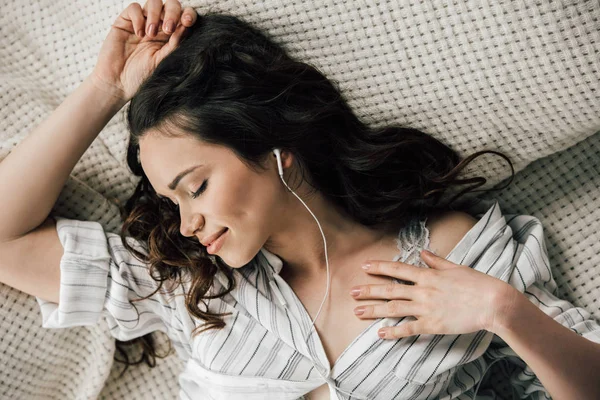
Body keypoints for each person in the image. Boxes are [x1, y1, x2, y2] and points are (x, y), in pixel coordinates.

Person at [0, 1, 599, 399]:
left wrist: (506, 312)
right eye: (171, 200)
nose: (186, 224)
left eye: (197, 187)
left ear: (276, 149)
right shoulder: (194, 288)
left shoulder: (450, 254)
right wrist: (104, 89)